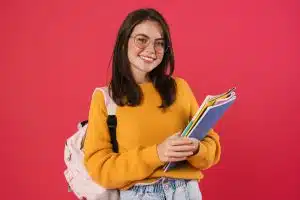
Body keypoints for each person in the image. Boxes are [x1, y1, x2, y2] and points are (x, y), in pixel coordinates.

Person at [83, 8, 221, 200]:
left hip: (187, 192)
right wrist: (157, 154)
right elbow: (101, 169)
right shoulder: (106, 98)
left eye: (159, 43)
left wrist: (196, 148)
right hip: (139, 194)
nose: (151, 50)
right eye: (141, 39)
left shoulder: (179, 88)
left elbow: (211, 147)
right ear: (124, 42)